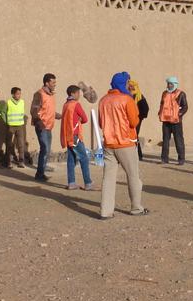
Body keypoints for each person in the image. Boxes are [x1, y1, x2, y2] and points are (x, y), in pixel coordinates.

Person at [98, 72, 147, 218]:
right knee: (133, 176)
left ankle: (106, 211)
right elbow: (134, 122)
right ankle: (136, 208)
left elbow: (101, 123)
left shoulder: (103, 100)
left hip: (109, 143)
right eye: (127, 83)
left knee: (108, 177)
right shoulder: (127, 99)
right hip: (126, 143)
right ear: (123, 84)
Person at [61, 84, 95, 191]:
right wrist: (79, 120)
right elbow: (85, 119)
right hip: (75, 136)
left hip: (68, 135)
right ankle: (88, 183)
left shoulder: (65, 105)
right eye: (77, 93)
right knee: (84, 158)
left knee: (71, 159)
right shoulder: (76, 104)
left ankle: (71, 183)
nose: (79, 95)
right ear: (72, 93)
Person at [31, 74, 61, 182]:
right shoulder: (39, 94)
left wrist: (60, 116)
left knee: (46, 151)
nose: (55, 85)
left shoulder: (51, 95)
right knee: (45, 149)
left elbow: (49, 111)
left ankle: (41, 173)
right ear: (47, 83)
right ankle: (39, 174)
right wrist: (39, 122)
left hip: (49, 127)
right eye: (53, 83)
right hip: (42, 126)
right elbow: (34, 110)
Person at [158, 77, 188, 164]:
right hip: (165, 120)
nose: (169, 85)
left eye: (171, 84)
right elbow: (161, 104)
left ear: (175, 84)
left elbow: (185, 106)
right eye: (168, 83)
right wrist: (160, 112)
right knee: (165, 140)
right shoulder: (164, 93)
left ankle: (181, 159)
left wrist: (179, 114)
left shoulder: (181, 94)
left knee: (178, 140)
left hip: (176, 121)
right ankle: (164, 159)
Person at [2, 87, 28, 168]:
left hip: (20, 126)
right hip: (11, 126)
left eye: (20, 94)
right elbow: (3, 113)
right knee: (9, 144)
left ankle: (21, 161)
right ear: (13, 94)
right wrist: (6, 122)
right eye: (17, 94)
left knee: (21, 144)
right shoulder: (8, 103)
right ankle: (8, 162)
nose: (19, 95)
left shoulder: (22, 102)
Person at [129, 79, 149, 160]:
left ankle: (138, 155)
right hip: (129, 119)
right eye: (130, 86)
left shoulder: (140, 96)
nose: (131, 88)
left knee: (134, 135)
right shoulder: (127, 95)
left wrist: (139, 117)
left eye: (132, 86)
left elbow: (145, 109)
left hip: (137, 119)